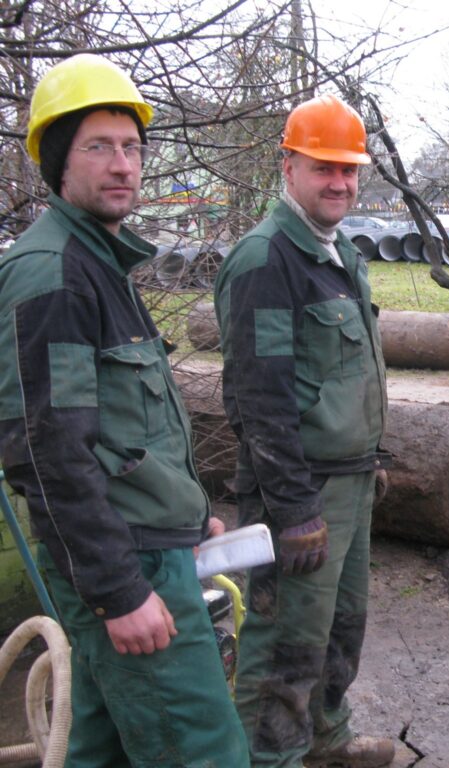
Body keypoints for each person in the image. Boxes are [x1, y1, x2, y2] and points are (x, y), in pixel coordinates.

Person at [0, 54, 248, 765]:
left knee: (101, 749)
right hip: (128, 569)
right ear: (58, 162)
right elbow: (47, 455)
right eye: (98, 147)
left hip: (149, 548)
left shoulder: (99, 263)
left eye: (132, 146)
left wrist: (182, 510)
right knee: (202, 751)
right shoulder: (53, 276)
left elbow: (121, 427)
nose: (122, 164)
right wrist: (118, 592)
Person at [214, 94, 393, 768]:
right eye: (324, 168)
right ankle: (272, 760)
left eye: (349, 170)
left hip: (348, 483)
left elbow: (348, 369)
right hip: (301, 494)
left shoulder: (338, 250)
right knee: (286, 649)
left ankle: (327, 744)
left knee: (341, 631)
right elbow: (257, 399)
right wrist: (292, 510)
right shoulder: (267, 261)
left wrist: (372, 452)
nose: (340, 183)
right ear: (287, 166)